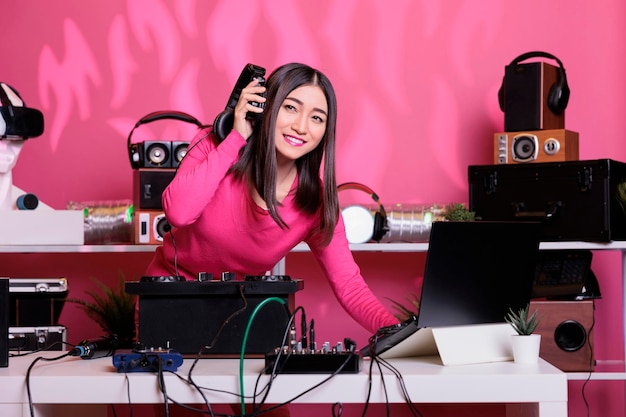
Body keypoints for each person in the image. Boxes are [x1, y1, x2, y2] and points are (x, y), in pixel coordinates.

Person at [143, 62, 399, 416]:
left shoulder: (315, 202)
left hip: (245, 314)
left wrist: (399, 332)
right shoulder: (214, 144)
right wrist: (235, 136)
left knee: (269, 409)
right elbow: (179, 212)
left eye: (317, 118)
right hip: (172, 306)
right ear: (265, 107)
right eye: (290, 108)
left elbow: (349, 284)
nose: (300, 126)